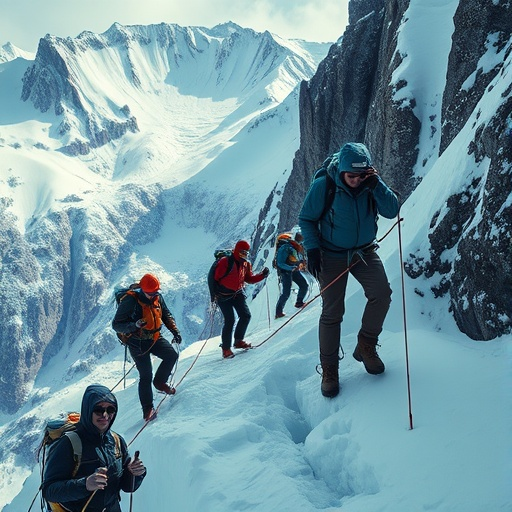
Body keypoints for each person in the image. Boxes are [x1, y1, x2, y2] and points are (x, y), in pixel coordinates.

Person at [299, 142, 399, 398]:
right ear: (342, 171)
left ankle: (366, 344)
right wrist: (312, 249)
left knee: (382, 294)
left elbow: (392, 210)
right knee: (333, 311)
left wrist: (376, 184)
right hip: (330, 253)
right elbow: (307, 218)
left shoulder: (370, 184)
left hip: (363, 250)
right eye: (350, 176)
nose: (354, 181)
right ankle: (330, 369)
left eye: (359, 176)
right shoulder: (326, 185)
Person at [42, 384, 146, 512]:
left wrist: (135, 473)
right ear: (88, 410)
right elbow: (49, 491)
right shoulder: (69, 443)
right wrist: (85, 484)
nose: (105, 415)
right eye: (98, 409)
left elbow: (127, 486)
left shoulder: (116, 441)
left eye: (110, 409)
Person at [112, 273, 182, 421]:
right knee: (145, 376)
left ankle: (160, 382)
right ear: (142, 290)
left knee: (171, 355)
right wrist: (134, 326)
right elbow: (116, 325)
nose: (153, 295)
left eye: (155, 292)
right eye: (150, 293)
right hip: (137, 342)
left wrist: (175, 331)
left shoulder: (157, 297)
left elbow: (165, 315)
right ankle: (148, 409)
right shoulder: (131, 300)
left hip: (154, 337)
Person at [213, 240, 269, 358]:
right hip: (223, 296)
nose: (244, 254)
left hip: (237, 293)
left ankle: (238, 341)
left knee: (245, 315)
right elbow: (215, 277)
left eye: (246, 252)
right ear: (237, 250)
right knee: (230, 320)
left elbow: (249, 279)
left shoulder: (245, 264)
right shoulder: (225, 262)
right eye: (242, 252)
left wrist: (262, 275)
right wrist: (214, 294)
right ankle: (226, 348)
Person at [275, 232, 309, 318]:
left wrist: (298, 264)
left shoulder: (291, 247)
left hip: (291, 270)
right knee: (287, 292)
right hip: (286, 271)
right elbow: (280, 263)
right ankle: (279, 312)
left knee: (303, 285)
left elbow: (292, 260)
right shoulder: (286, 248)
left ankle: (299, 302)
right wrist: (293, 267)